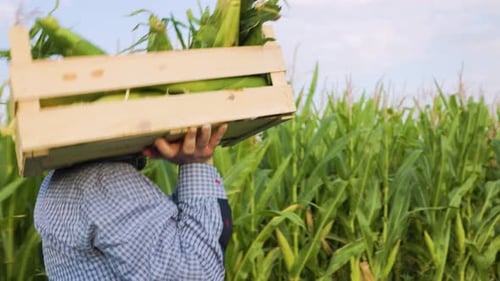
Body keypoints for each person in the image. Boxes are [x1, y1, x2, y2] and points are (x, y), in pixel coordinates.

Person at [34, 124, 232, 280]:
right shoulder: (103, 182)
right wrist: (197, 163)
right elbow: (198, 271)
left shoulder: (62, 178)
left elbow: (162, 230)